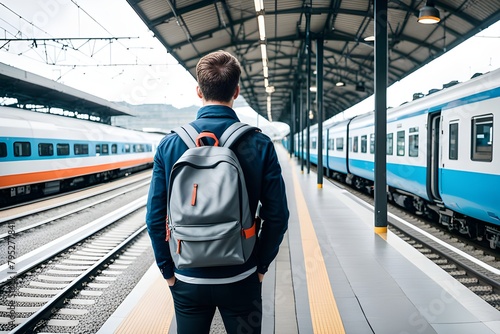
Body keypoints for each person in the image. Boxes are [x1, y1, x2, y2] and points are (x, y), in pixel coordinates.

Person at [146, 50, 289, 334]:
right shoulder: (258, 144)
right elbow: (278, 216)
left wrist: (168, 271)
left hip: (188, 278)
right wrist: (260, 266)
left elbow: (154, 218)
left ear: (199, 91)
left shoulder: (170, 145)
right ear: (237, 91)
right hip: (241, 275)